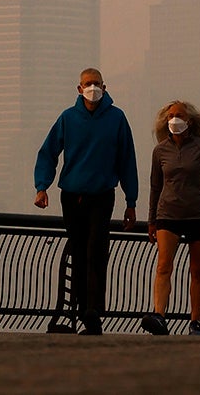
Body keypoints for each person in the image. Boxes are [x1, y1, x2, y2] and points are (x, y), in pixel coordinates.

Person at [34, 67, 139, 336]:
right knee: (79, 253)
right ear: (79, 89)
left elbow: (127, 160)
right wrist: (41, 187)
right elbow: (48, 153)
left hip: (102, 196)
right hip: (72, 196)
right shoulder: (68, 118)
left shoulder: (117, 118)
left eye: (96, 83)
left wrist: (131, 200)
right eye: (87, 84)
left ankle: (93, 311)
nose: (93, 88)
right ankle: (80, 310)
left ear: (105, 86)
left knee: (96, 251)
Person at [141, 99, 200, 336]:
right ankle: (159, 315)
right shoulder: (160, 151)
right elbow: (154, 187)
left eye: (179, 115)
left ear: (189, 121)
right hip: (167, 215)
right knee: (163, 266)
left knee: (198, 270)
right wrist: (151, 220)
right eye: (170, 116)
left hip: (198, 215)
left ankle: (195, 322)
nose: (174, 119)